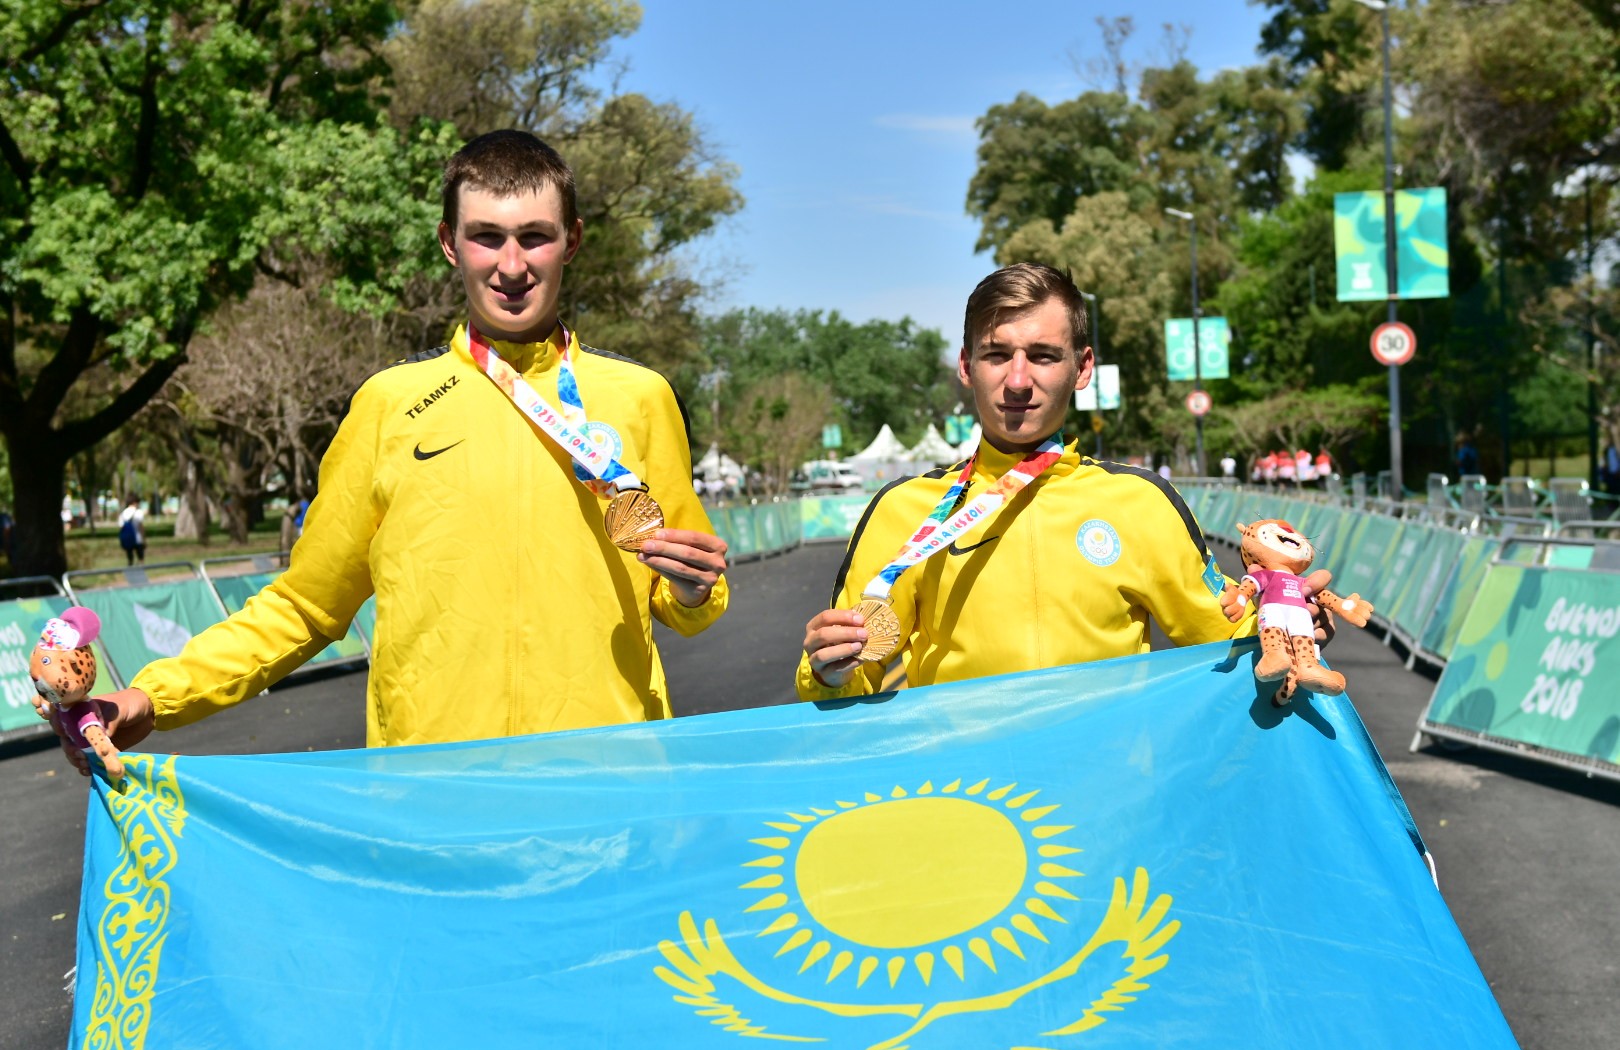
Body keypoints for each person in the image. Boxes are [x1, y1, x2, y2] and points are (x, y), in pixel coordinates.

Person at [49, 130, 730, 772]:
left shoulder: (641, 397)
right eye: (486, 237)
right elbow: (306, 606)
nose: (512, 265)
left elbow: (693, 595)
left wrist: (694, 589)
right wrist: (153, 697)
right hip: (433, 798)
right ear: (449, 243)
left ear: (572, 240)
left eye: (536, 237)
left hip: (608, 787)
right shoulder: (388, 403)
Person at [797, 263, 1334, 700]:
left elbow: (1227, 648)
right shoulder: (903, 508)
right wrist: (829, 671)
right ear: (966, 365)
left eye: (1044, 356)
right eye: (997, 354)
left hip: (1110, 805)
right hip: (968, 804)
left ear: (1082, 368)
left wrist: (1291, 625)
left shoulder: (1141, 502)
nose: (1018, 380)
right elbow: (850, 681)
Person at [116, 496, 146, 566]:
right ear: (135, 502)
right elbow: (140, 526)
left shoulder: (123, 513)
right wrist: (144, 538)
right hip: (138, 538)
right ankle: (140, 572)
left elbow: (121, 527)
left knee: (130, 558)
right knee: (140, 557)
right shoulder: (139, 512)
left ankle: (131, 571)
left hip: (128, 539)